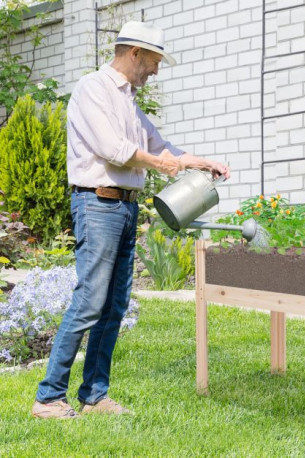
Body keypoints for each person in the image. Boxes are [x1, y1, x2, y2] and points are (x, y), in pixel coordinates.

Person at [32, 21, 230, 419]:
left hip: (124, 206)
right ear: (134, 53)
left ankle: (93, 396)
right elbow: (113, 149)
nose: (155, 71)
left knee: (115, 305)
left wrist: (200, 161)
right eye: (154, 62)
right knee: (90, 301)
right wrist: (161, 163)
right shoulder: (94, 89)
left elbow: (159, 145)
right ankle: (48, 397)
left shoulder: (128, 100)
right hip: (97, 205)